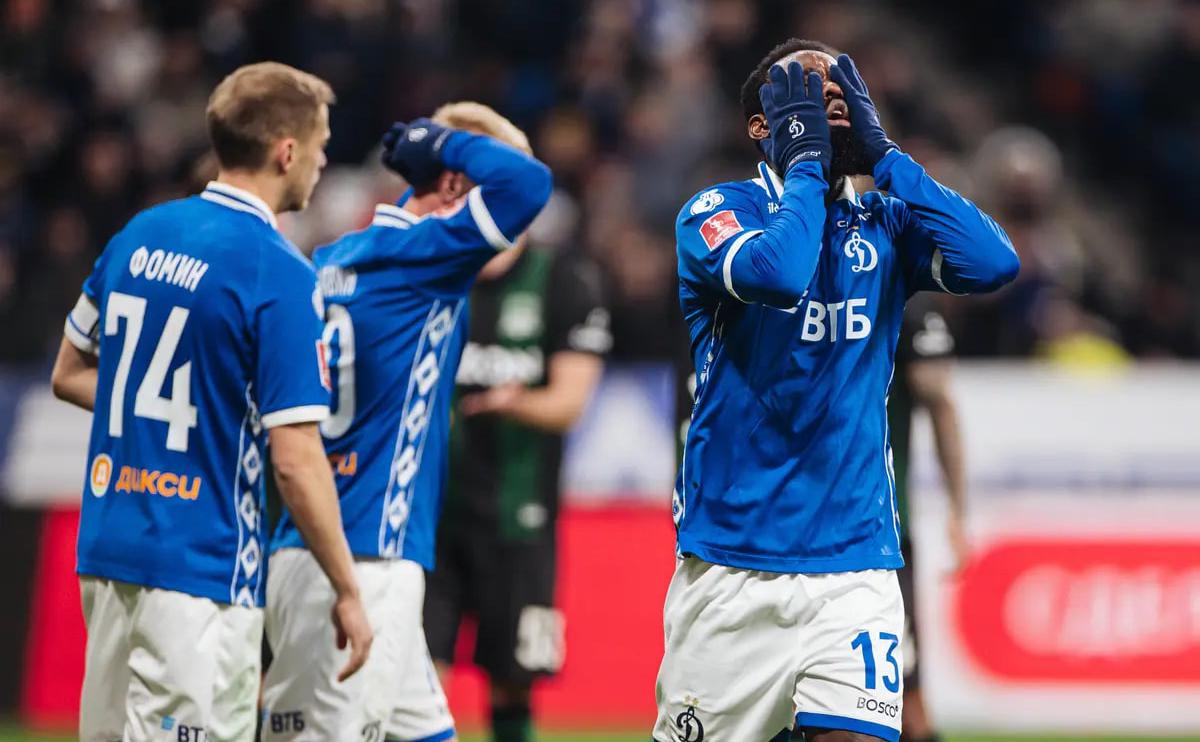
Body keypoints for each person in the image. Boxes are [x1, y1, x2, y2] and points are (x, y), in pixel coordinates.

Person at [654, 38, 1019, 742]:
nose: (836, 106)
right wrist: (804, 168)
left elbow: (994, 262)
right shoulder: (716, 210)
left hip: (857, 565)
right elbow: (779, 273)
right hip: (735, 563)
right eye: (812, 97)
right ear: (764, 124)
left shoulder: (885, 223)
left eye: (844, 95)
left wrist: (888, 157)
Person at [49, 62, 372, 742]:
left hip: (107, 552)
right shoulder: (278, 272)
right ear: (287, 151)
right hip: (202, 566)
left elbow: (70, 373)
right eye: (320, 145)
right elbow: (295, 460)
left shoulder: (137, 235)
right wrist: (347, 586)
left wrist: (183, 412)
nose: (322, 163)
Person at [261, 102, 552, 742]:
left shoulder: (334, 257)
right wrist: (441, 142)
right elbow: (529, 185)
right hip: (365, 559)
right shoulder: (424, 257)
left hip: (314, 545)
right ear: (453, 183)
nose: (513, 230)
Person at [425, 211, 611, 742]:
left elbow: (570, 403)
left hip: (519, 523)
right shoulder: (439, 278)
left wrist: (516, 402)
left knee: (513, 682)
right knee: (420, 681)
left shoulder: (562, 281)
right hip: (432, 523)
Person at [886, 299, 968, 742]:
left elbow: (938, 399)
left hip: (881, 542)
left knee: (905, 698)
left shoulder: (908, 311)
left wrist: (957, 511)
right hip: (807, 537)